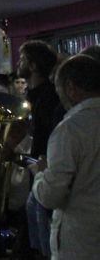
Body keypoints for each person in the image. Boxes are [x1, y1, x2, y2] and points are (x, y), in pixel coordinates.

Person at [32, 54, 100, 260]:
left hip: (81, 240)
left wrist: (40, 175)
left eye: (59, 89)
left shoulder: (70, 129)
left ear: (71, 87)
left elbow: (51, 195)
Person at [17, 41, 66, 260]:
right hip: (37, 174)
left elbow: (44, 147)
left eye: (22, 59)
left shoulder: (47, 99)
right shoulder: (33, 96)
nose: (19, 64)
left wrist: (19, 158)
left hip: (45, 175)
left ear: (34, 66)